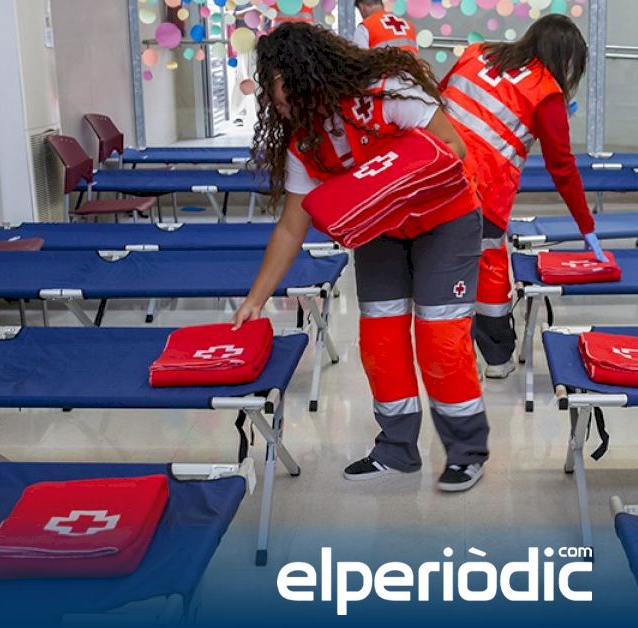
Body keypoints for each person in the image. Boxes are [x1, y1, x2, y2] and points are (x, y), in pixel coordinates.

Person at [232, 23, 490, 492]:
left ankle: (466, 452)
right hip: (381, 231)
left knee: (440, 340)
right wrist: (256, 299)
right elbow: (291, 226)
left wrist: (391, 184)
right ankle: (397, 449)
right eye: (272, 95)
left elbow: (453, 147)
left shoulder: (389, 90)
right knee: (380, 340)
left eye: (281, 89)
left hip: (445, 221)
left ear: (309, 76)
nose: (277, 103)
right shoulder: (304, 143)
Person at [440, 14, 604, 379]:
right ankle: (497, 359)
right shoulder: (546, 92)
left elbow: (439, 98)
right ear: (564, 58)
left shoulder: (478, 52)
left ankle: (452, 357)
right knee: (489, 269)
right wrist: (586, 226)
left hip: (431, 177)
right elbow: (562, 167)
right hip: (480, 194)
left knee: (439, 268)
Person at [352, 0, 419, 55]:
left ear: (361, 7)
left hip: (385, 68)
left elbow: (360, 60)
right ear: (382, 5)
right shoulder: (409, 25)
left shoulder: (365, 27)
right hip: (411, 67)